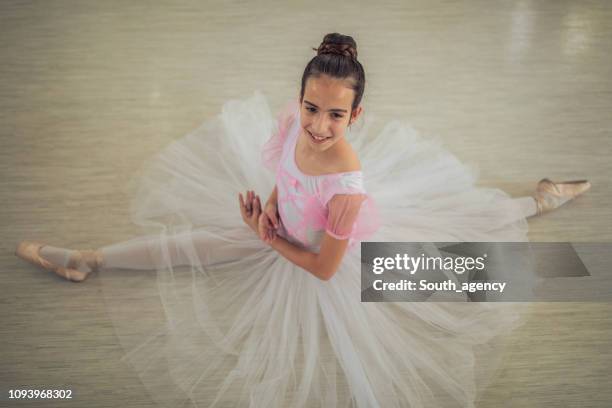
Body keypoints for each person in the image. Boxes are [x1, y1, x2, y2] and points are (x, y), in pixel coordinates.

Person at [15, 33, 590, 407]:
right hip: (282, 224)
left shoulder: (347, 187)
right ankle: (90, 259)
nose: (317, 124)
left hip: (320, 247)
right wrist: (267, 208)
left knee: (451, 242)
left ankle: (535, 204)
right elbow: (285, 173)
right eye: (312, 108)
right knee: (198, 242)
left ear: (355, 115)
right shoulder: (294, 121)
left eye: (335, 115)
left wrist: (269, 237)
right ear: (302, 97)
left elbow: (321, 269)